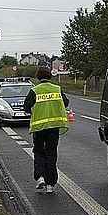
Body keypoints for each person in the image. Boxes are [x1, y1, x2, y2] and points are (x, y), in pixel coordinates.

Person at [23, 66, 69, 194]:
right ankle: (50, 184)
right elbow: (66, 103)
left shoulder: (34, 91)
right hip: (54, 127)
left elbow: (26, 107)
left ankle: (40, 177)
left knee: (38, 152)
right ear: (50, 76)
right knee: (51, 153)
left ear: (38, 77)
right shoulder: (57, 89)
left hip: (39, 128)